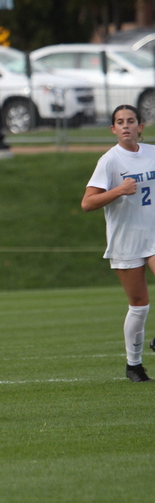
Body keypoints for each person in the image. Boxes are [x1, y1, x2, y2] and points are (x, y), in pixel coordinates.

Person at [81, 104, 155, 383]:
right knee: (139, 305)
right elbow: (87, 203)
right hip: (126, 239)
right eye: (120, 122)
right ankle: (133, 365)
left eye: (131, 121)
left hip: (154, 235)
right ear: (113, 129)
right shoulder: (110, 161)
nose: (126, 126)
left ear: (140, 127)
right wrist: (119, 190)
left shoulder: (152, 153)